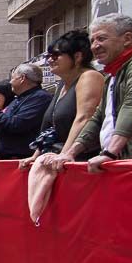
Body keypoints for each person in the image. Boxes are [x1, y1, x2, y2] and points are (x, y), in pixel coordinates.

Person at [48, 13, 132, 170]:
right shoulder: (112, 76)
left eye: (101, 39)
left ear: (127, 39)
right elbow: (97, 118)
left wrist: (109, 153)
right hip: (123, 164)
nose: (94, 46)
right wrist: (70, 153)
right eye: (92, 41)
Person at [20, 30, 104, 169]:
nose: (50, 60)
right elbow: (51, 129)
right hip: (58, 159)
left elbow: (84, 118)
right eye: (48, 56)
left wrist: (65, 153)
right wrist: (35, 155)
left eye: (55, 55)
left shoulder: (90, 77)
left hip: (81, 161)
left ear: (77, 57)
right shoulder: (62, 84)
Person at [0, 63, 52, 160]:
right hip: (4, 160)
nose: (10, 83)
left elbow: (16, 125)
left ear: (22, 78)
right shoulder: (16, 101)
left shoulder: (40, 98)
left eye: (12, 78)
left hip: (22, 160)